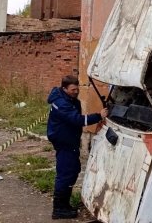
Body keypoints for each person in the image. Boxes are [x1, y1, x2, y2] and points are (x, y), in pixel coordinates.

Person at [47, 75, 108, 219]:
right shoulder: (62, 104)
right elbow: (77, 119)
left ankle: (64, 205)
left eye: (77, 89)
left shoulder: (69, 100)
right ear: (64, 89)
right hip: (65, 142)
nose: (76, 91)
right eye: (73, 89)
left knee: (73, 170)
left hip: (69, 141)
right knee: (66, 174)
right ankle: (59, 209)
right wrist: (99, 116)